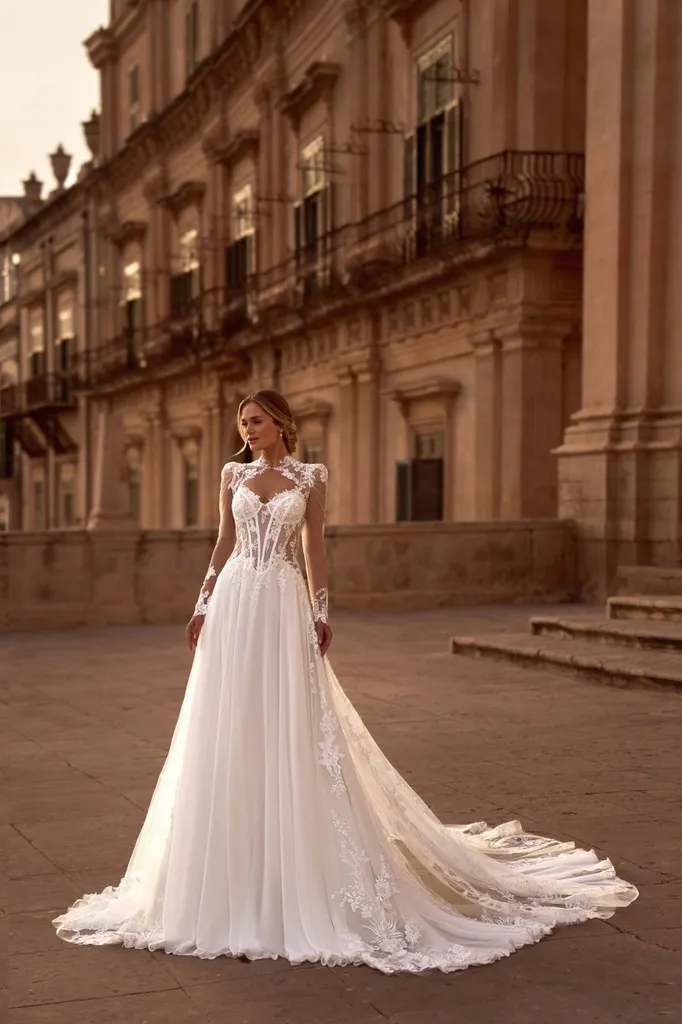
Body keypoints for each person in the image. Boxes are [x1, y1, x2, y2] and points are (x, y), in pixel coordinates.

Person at [53, 389, 638, 974]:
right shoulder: (233, 473)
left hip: (282, 606)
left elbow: (315, 547)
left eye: (256, 421)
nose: (248, 430)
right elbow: (224, 541)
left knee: (291, 721)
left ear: (280, 423)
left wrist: (321, 611)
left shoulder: (310, 478)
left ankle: (296, 850)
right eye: (243, 423)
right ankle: (229, 856)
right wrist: (202, 603)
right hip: (234, 604)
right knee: (226, 721)